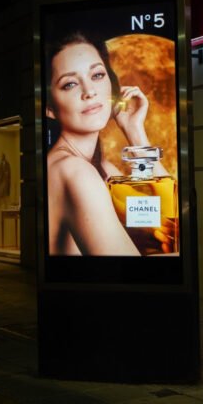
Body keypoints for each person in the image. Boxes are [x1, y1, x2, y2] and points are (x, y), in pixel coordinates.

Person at [45, 31, 169, 256]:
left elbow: (166, 214)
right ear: (49, 108)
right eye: (70, 84)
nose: (89, 92)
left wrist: (135, 132)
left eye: (97, 75)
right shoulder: (74, 171)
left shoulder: (100, 168)